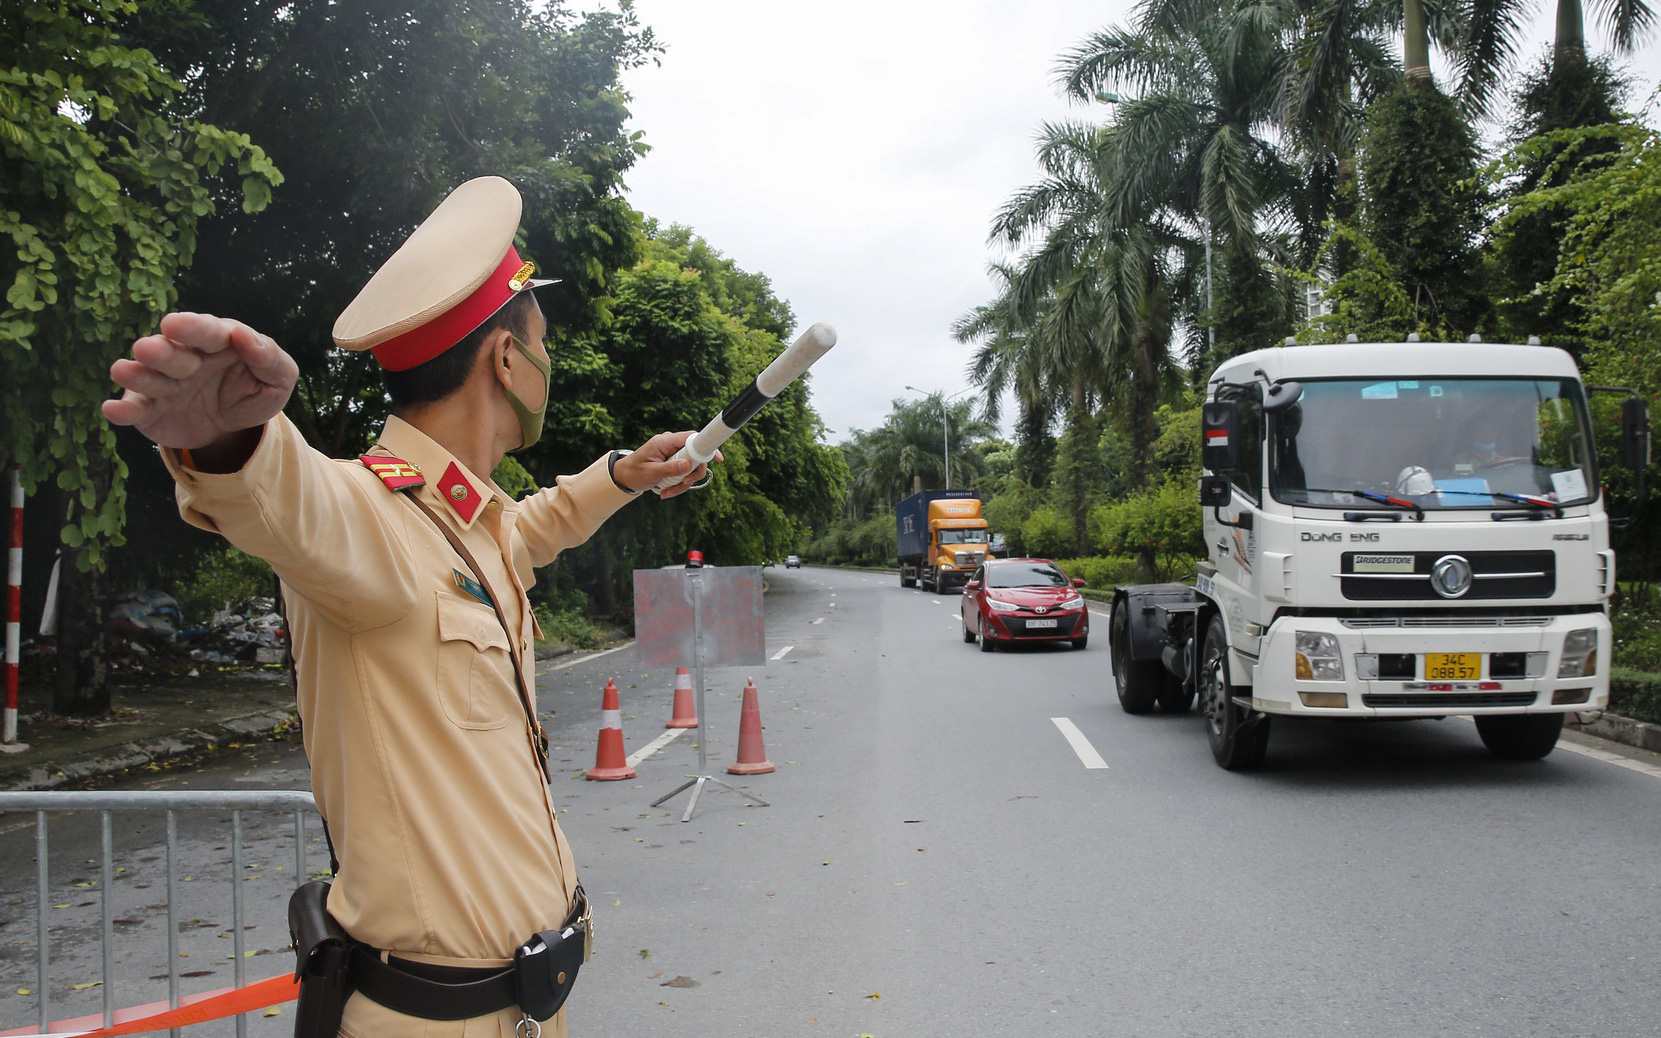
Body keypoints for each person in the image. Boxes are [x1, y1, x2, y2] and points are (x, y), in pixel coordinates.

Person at [103, 176, 713, 1037]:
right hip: (437, 1020)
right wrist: (231, 434)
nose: (550, 361)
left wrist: (619, 476)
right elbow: (292, 496)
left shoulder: (464, 521)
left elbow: (527, 529)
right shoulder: (370, 519)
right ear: (507, 360)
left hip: (527, 1007)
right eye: (541, 340)